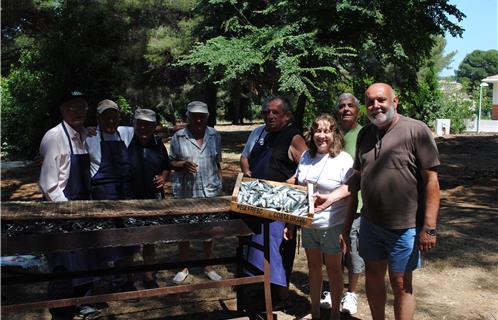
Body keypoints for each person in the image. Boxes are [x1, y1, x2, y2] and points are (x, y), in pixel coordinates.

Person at [316, 83, 440, 320]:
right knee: (373, 276)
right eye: (370, 102)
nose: (376, 106)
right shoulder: (366, 134)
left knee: (401, 282)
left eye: (381, 100)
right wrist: (336, 206)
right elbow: (356, 181)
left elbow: (432, 182)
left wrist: (429, 227)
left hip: (406, 226)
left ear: (395, 101)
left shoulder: (416, 130)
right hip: (370, 225)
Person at [39, 91, 100, 319]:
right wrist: (68, 212)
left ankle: (85, 302)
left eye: (82, 107)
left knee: (84, 256)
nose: (78, 112)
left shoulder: (82, 134)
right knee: (63, 261)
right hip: (62, 209)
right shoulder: (54, 137)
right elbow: (48, 185)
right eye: (72, 107)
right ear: (62, 110)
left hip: (84, 204)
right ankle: (62, 309)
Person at [244, 96, 307, 305]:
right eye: (266, 112)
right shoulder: (262, 133)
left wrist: (295, 178)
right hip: (257, 201)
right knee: (258, 250)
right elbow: (247, 157)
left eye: (275, 112)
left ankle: (282, 296)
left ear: (287, 116)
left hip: (281, 206)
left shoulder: (293, 137)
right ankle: (264, 292)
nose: (269, 116)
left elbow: (308, 166)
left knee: (277, 251)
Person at [290, 114, 354, 320]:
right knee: (314, 268)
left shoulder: (343, 159)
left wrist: (344, 225)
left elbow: (350, 188)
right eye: (318, 130)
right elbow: (299, 189)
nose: (322, 135)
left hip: (332, 224)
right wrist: (292, 222)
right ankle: (315, 312)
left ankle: (335, 314)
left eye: (327, 131)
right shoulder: (306, 157)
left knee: (334, 270)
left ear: (335, 134)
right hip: (308, 225)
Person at [169, 101, 223, 284]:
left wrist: (220, 183)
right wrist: (182, 165)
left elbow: (218, 162)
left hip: (210, 192)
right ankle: (184, 268)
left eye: (202, 116)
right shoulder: (178, 137)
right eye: (194, 116)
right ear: (188, 117)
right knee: (185, 230)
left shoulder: (215, 135)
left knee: (209, 230)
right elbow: (170, 163)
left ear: (207, 117)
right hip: (186, 192)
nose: (198, 119)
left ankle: (208, 266)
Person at [86, 99, 137, 291]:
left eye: (114, 116)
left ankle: (125, 280)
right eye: (106, 117)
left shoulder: (126, 132)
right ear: (98, 118)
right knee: (104, 241)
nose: (110, 121)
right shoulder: (88, 137)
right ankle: (103, 282)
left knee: (128, 240)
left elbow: (148, 131)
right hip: (101, 197)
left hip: (125, 195)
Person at [320, 93, 364, 314]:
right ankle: (332, 289)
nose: (346, 109)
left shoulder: (364, 133)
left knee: (354, 252)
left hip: (355, 204)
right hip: (330, 205)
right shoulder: (331, 133)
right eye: (342, 106)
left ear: (358, 110)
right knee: (332, 251)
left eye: (350, 106)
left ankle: (351, 294)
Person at [127, 108, 171, 289]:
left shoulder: (158, 143)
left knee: (150, 239)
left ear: (154, 127)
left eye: (148, 125)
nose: (143, 128)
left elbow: (166, 166)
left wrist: (163, 177)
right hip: (129, 198)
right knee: (127, 239)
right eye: (140, 124)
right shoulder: (126, 141)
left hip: (153, 199)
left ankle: (148, 276)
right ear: (134, 125)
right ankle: (126, 278)